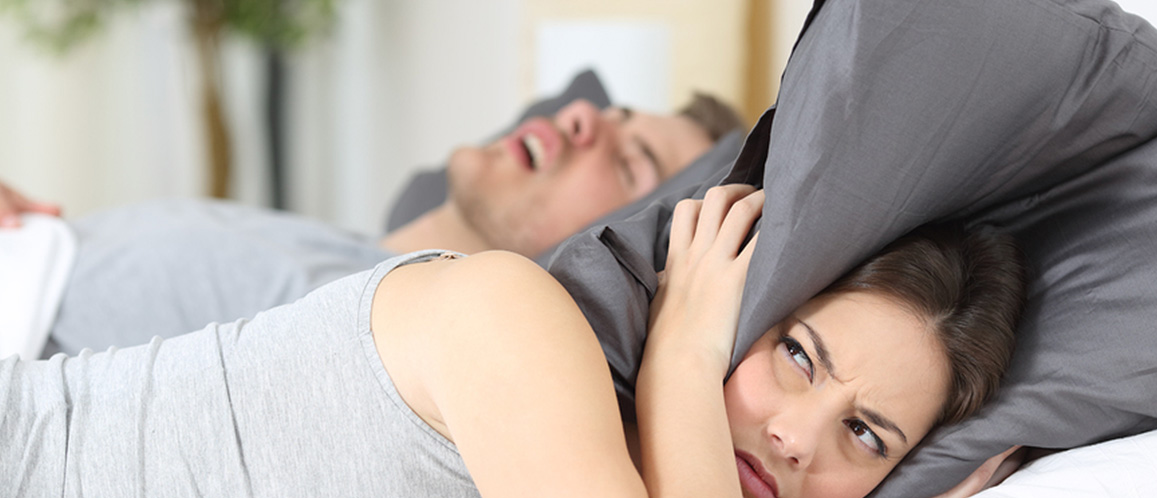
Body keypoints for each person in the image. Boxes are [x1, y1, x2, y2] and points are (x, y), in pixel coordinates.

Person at [0, 185, 1026, 498]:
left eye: (864, 434)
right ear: (734, 302)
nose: (795, 436)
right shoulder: (512, 315)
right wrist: (682, 348)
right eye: (795, 355)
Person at [0, 92, 741, 357]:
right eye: (607, 113)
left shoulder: (371, 335)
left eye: (633, 162)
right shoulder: (331, 244)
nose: (583, 117)